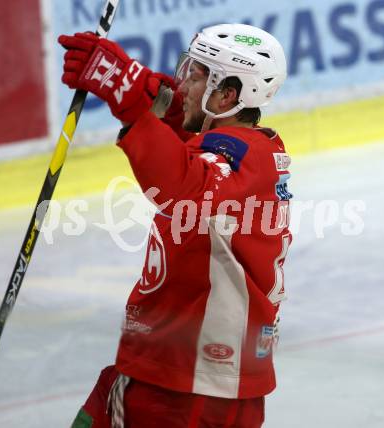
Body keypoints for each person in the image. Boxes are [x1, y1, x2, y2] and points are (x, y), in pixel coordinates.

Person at [58, 23, 292, 428]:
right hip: (181, 372)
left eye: (197, 76)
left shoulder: (237, 156)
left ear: (227, 94)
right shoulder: (245, 151)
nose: (183, 83)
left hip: (187, 387)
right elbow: (189, 154)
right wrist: (152, 97)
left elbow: (182, 188)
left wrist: (129, 98)